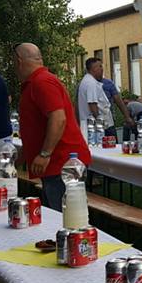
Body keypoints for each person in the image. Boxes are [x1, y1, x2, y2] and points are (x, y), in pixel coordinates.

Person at [13, 43, 91, 210]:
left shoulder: (42, 82)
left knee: (65, 214)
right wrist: (21, 157)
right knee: (59, 211)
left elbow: (58, 118)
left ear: (18, 61)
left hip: (62, 162)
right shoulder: (37, 82)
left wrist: (45, 154)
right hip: (57, 163)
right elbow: (37, 128)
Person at [76, 58, 114, 137]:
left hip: (91, 125)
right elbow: (92, 104)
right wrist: (100, 125)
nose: (102, 69)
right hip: (99, 126)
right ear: (94, 69)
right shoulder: (91, 83)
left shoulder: (86, 81)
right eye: (100, 66)